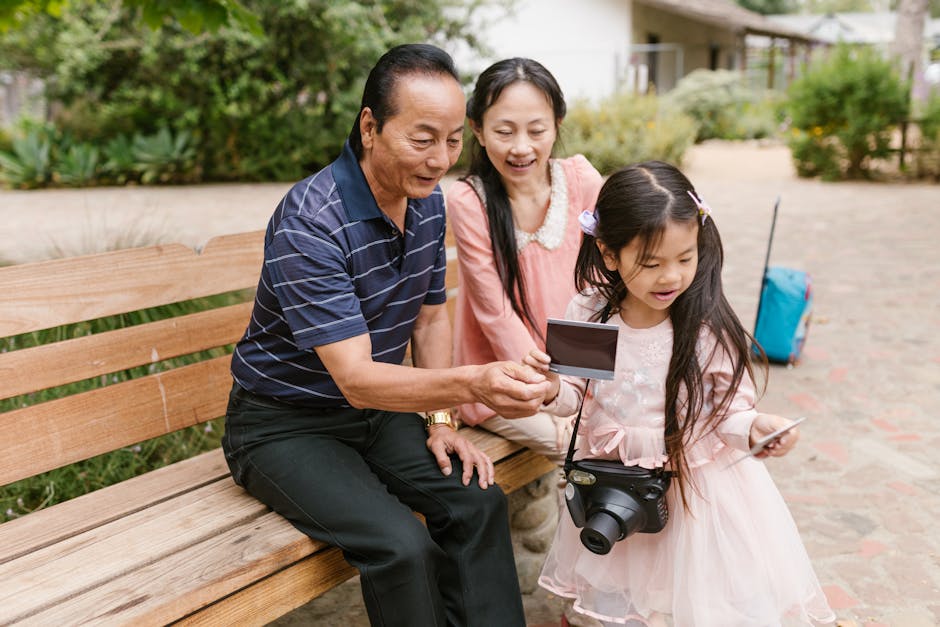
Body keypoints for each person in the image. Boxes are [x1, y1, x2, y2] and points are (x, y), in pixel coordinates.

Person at [222, 44, 552, 627]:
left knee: (477, 502)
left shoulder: (427, 205)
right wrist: (474, 380)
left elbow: (429, 319)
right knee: (401, 547)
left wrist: (443, 420)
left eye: (453, 140)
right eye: (422, 139)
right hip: (282, 426)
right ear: (370, 126)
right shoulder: (312, 221)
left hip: (378, 412)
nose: (439, 159)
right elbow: (354, 379)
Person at [524, 162, 836, 626]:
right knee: (626, 601)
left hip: (694, 496)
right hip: (616, 484)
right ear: (609, 253)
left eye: (685, 258)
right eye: (651, 263)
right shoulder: (591, 311)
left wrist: (756, 427)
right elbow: (574, 396)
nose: (670, 277)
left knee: (682, 606)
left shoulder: (704, 324)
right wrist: (552, 387)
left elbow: (726, 413)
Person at [447, 58, 603, 463]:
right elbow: (495, 314)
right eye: (503, 131)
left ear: (557, 124)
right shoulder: (469, 202)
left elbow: (600, 288)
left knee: (611, 432)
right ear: (478, 130)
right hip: (505, 379)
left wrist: (578, 392)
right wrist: (549, 394)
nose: (521, 147)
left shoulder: (582, 180)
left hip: (582, 371)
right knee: (577, 445)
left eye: (536, 131)